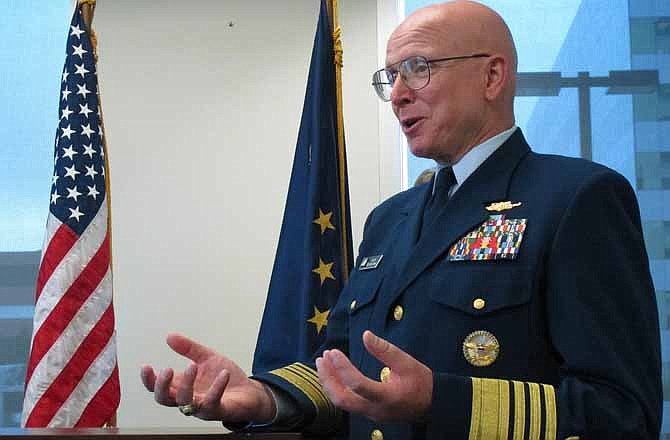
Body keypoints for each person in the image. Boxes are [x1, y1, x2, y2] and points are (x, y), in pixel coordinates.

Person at [141, 1, 662, 438]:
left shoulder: (576, 198)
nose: (398, 95)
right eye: (390, 77)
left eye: (418, 68)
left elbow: (621, 411)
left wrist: (441, 399)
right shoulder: (389, 219)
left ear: (492, 75)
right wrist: (263, 396)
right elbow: (341, 363)